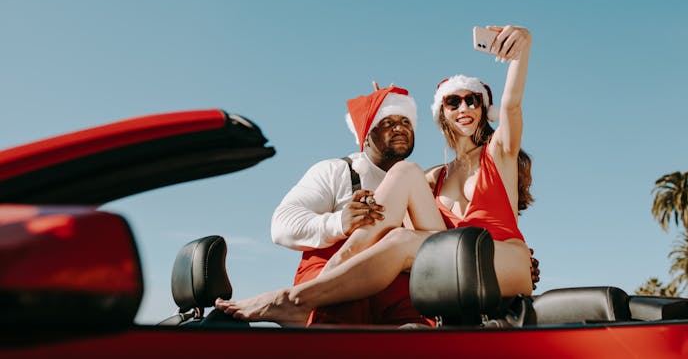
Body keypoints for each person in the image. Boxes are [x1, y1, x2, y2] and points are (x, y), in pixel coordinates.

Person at [216, 25, 535, 324]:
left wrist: (521, 49)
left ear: (483, 108)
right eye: (454, 102)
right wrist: (351, 219)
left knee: (404, 225)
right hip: (451, 260)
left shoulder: (499, 152)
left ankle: (295, 300)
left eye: (472, 100)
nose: (464, 107)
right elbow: (390, 229)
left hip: (500, 255)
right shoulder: (431, 177)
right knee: (403, 192)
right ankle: (318, 288)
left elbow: (513, 106)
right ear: (442, 114)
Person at [269, 84, 431, 325]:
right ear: (365, 134)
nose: (399, 127)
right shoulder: (336, 171)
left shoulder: (419, 184)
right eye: (387, 122)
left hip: (393, 289)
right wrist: (339, 222)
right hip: (331, 280)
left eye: (406, 122)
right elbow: (281, 225)